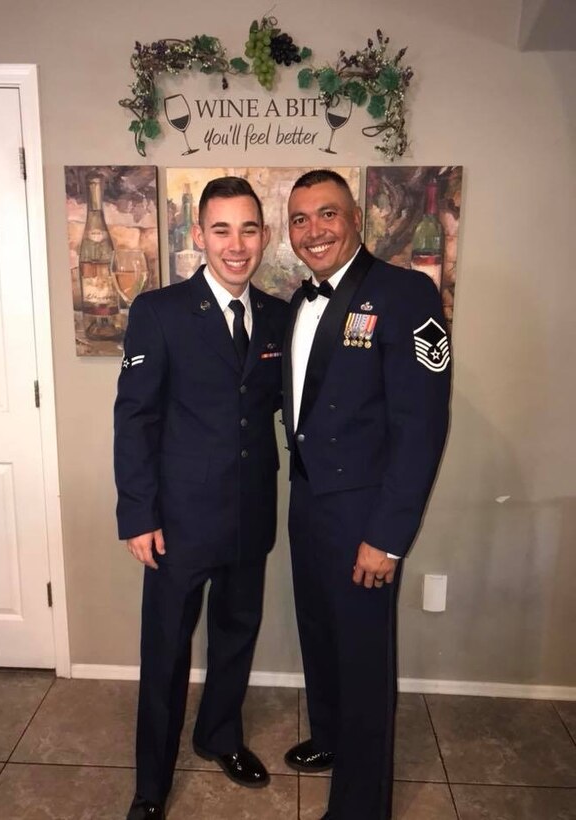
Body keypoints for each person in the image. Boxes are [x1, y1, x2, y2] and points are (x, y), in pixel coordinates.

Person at [114, 176, 289, 820]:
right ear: (199, 236)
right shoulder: (158, 312)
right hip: (178, 524)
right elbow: (134, 419)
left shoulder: (277, 314)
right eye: (221, 229)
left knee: (236, 635)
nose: (236, 244)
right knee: (165, 652)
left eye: (248, 228)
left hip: (250, 516)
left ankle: (220, 734)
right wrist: (138, 514)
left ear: (263, 236)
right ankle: (151, 786)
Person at [281, 170, 451, 820]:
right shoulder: (299, 302)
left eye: (326, 214)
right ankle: (330, 740)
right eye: (300, 219)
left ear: (356, 219)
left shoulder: (407, 295)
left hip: (363, 515)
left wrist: (387, 536)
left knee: (362, 661)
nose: (313, 230)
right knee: (320, 638)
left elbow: (422, 426)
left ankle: (359, 806)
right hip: (307, 503)